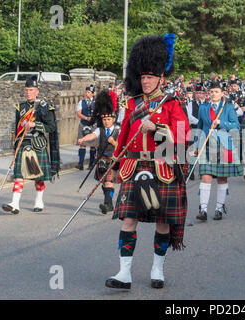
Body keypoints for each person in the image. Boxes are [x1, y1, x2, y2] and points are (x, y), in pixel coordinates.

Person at [105, 34, 190, 290]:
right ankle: (124, 273)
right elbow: (123, 137)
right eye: (142, 77)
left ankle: (157, 269)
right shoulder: (132, 104)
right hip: (134, 166)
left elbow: (183, 137)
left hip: (161, 167)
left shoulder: (174, 103)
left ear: (161, 78)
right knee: (128, 220)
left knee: (163, 222)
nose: (145, 81)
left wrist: (156, 129)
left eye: (150, 77)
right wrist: (115, 161)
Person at [2, 76, 60, 214]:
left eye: (31, 90)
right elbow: (16, 128)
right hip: (23, 144)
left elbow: (51, 127)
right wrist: (15, 146)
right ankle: (15, 204)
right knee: (19, 175)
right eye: (26, 90)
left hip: (37, 144)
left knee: (38, 177)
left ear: (37, 91)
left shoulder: (45, 107)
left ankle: (39, 201)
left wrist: (35, 124)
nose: (28, 92)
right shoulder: (20, 107)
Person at [195, 82, 243, 221]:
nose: (213, 94)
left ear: (222, 93)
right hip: (208, 145)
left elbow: (236, 126)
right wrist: (197, 145)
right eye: (211, 91)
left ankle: (218, 208)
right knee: (205, 176)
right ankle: (203, 210)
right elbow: (200, 126)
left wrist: (221, 123)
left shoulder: (227, 108)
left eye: (216, 91)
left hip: (224, 145)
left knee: (222, 178)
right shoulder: (204, 107)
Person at [77, 90, 120, 214]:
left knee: (108, 182)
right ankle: (110, 204)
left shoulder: (118, 130)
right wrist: (83, 139)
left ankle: (107, 204)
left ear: (113, 119)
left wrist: (114, 143)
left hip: (113, 160)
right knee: (104, 183)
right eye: (104, 119)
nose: (106, 121)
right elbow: (92, 135)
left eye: (108, 119)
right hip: (101, 159)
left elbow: (123, 147)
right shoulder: (100, 129)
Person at [76, 85, 96, 170]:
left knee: (93, 145)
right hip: (83, 124)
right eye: (86, 92)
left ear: (92, 94)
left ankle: (91, 164)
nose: (86, 93)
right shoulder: (81, 102)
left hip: (93, 125)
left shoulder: (96, 102)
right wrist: (86, 118)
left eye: (88, 92)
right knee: (82, 144)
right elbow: (79, 113)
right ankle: (80, 164)